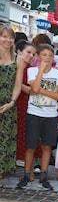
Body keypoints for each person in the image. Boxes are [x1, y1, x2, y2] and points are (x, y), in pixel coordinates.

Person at [16, 43, 58, 190]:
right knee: (30, 145)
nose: (48, 58)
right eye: (44, 55)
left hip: (50, 114)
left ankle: (44, 176)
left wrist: (42, 92)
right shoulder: (32, 71)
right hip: (34, 113)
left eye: (50, 55)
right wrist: (41, 72)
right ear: (38, 57)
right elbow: (34, 88)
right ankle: (26, 174)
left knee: (46, 146)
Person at [0, 25, 25, 188]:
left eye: (10, 37)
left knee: (3, 140)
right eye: (4, 36)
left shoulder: (19, 60)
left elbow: (18, 84)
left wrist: (12, 102)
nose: (8, 40)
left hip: (7, 104)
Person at [15, 40, 36, 170]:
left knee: (25, 132)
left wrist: (17, 84)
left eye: (33, 54)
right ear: (19, 51)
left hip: (26, 103)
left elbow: (32, 90)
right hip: (15, 102)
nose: (31, 56)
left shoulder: (31, 69)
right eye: (28, 52)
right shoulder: (13, 66)